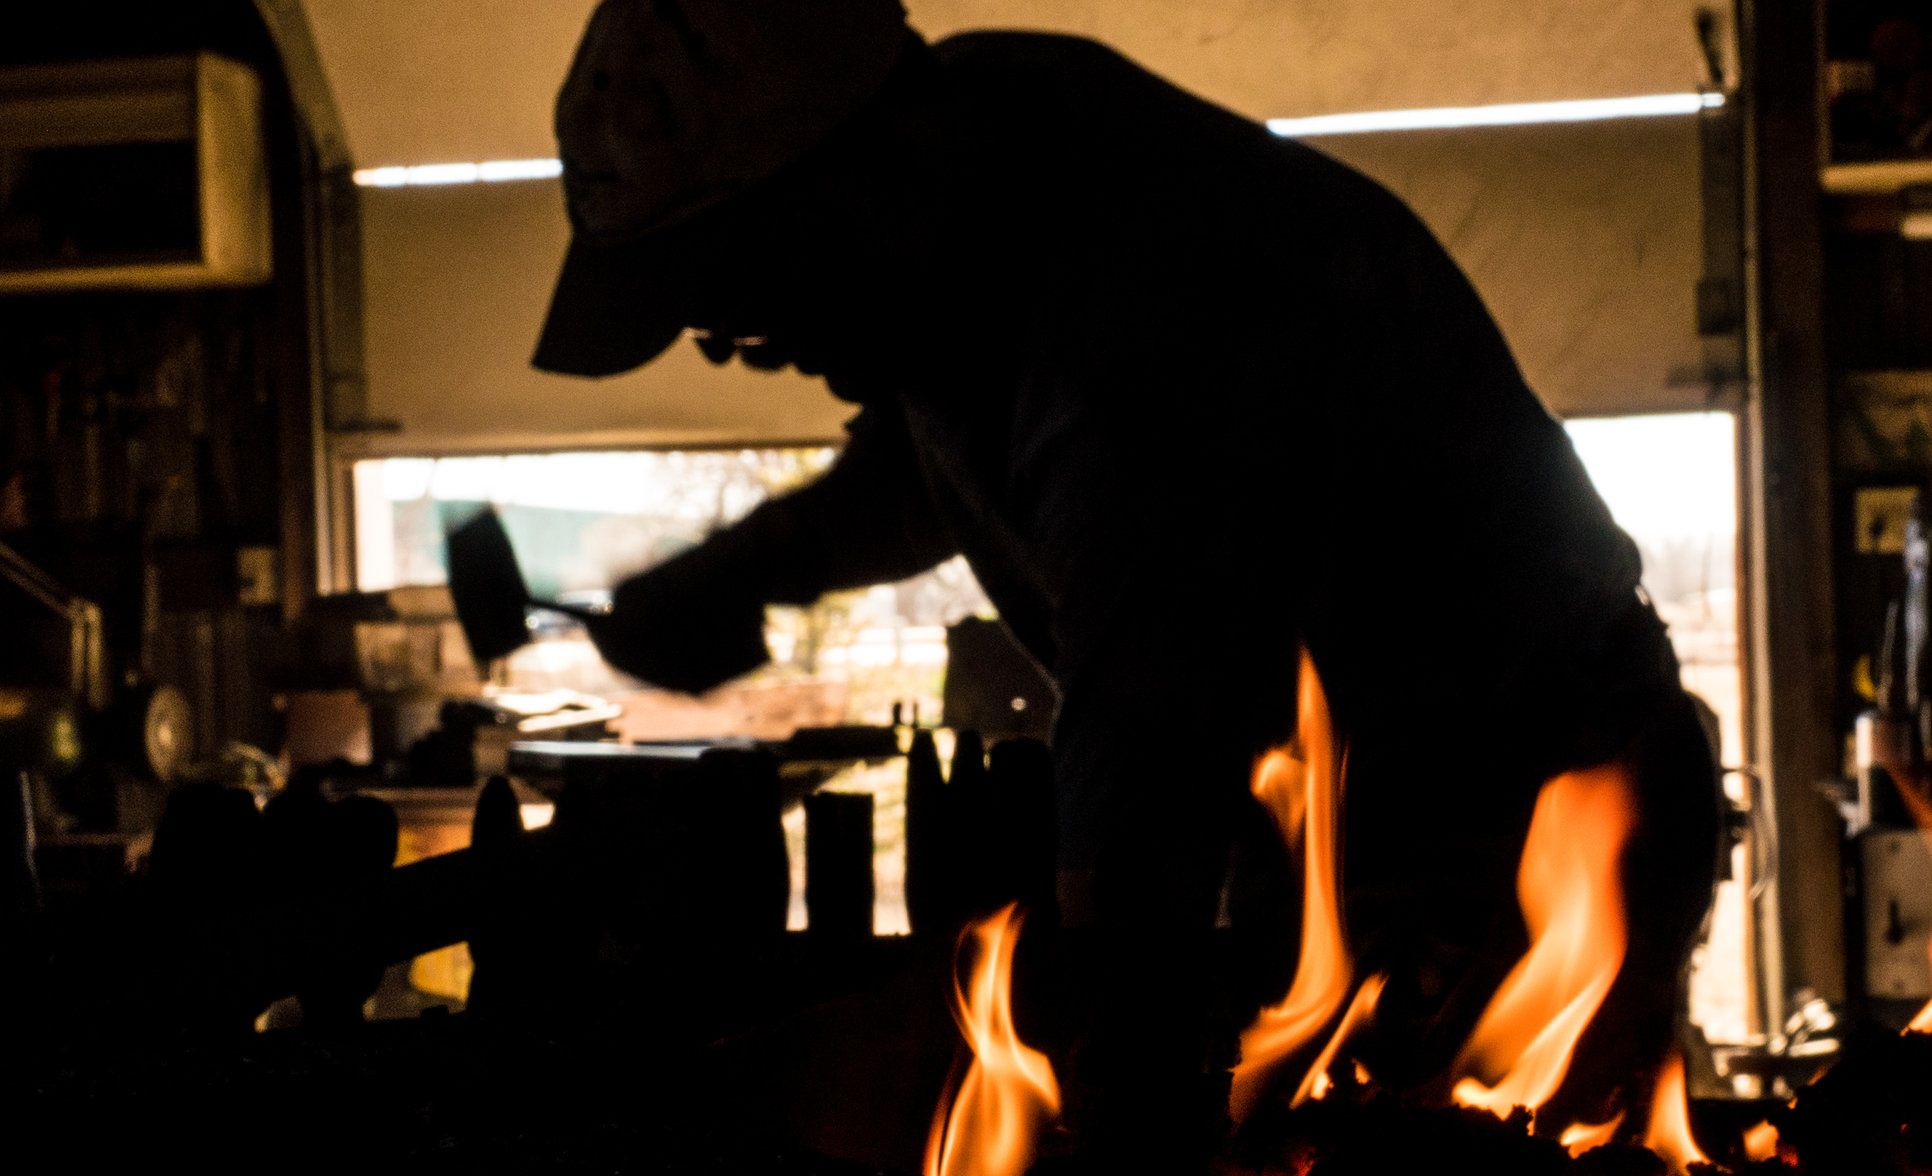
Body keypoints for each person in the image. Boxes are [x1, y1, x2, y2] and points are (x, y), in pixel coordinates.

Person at [537, 0, 1719, 1092]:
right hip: (1339, 829)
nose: (730, 343)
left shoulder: (1130, 269)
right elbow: (931, 462)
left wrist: (1113, 1015)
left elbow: (1146, 680)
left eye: (732, 286)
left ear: (832, 186)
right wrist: (741, 570)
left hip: (1525, 835)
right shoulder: (964, 195)